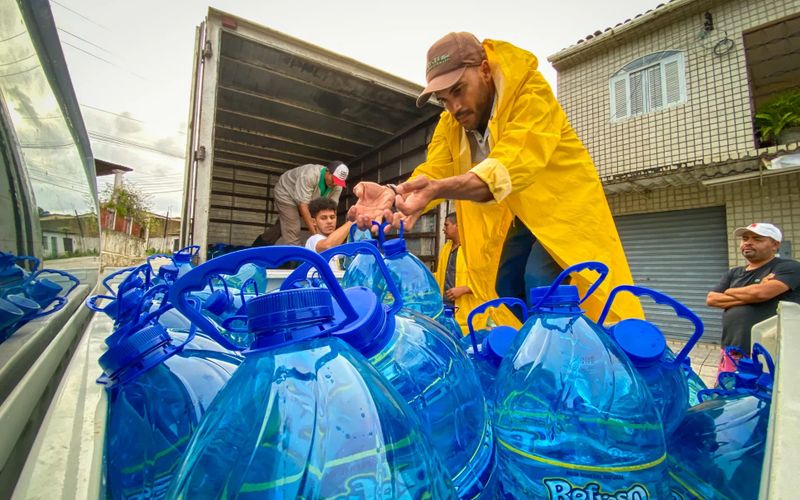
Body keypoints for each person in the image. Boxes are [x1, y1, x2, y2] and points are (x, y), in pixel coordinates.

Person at [348, 32, 642, 326]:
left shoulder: (530, 96)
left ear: (485, 70)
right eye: (444, 99)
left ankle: (574, 352)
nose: (455, 107)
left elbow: (506, 166)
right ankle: (538, 344)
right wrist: (395, 195)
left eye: (459, 90)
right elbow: (435, 170)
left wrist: (439, 188)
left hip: (564, 213)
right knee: (507, 285)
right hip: (521, 218)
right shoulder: (450, 124)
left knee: (543, 280)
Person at [707, 223, 800, 373]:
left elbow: (760, 294)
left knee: (765, 394)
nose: (748, 242)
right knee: (728, 393)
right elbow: (712, 299)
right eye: (745, 239)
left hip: (769, 352)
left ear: (775, 244)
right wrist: (753, 295)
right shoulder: (734, 273)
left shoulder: (788, 267)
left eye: (757, 239)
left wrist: (731, 292)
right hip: (732, 351)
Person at [273, 161, 349, 246]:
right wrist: (317, 238)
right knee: (293, 229)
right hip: (286, 193)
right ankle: (295, 258)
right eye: (334, 180)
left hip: (306, 198)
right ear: (327, 171)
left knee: (284, 225)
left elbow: (332, 209)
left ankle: (259, 243)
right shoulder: (309, 176)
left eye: (338, 182)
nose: (335, 183)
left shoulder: (338, 186)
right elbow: (303, 205)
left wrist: (331, 237)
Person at [434, 212, 474, 329]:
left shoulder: (472, 250)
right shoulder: (446, 248)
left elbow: (486, 281)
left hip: (467, 315)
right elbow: (441, 275)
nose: (443, 229)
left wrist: (465, 289)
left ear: (458, 225)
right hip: (446, 311)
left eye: (446, 225)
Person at [304, 197, 370, 256]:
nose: (329, 221)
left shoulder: (337, 244)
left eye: (332, 217)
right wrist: (352, 221)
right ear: (314, 222)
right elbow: (328, 246)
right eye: (323, 218)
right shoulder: (313, 240)